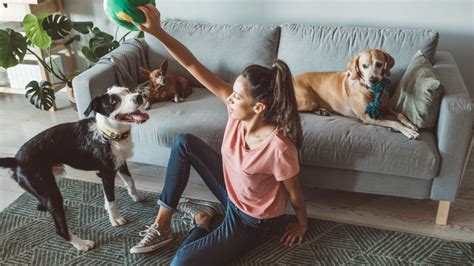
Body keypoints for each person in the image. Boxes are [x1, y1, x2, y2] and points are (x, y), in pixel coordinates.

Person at [130, 4, 308, 265]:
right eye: (232, 93)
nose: (230, 98)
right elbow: (191, 64)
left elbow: (295, 195)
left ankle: (201, 221)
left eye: (237, 96)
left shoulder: (279, 147)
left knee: (180, 263)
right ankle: (163, 224)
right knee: (183, 142)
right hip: (230, 189)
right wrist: (158, 32)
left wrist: (302, 224)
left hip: (250, 220)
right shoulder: (236, 111)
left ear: (258, 108)